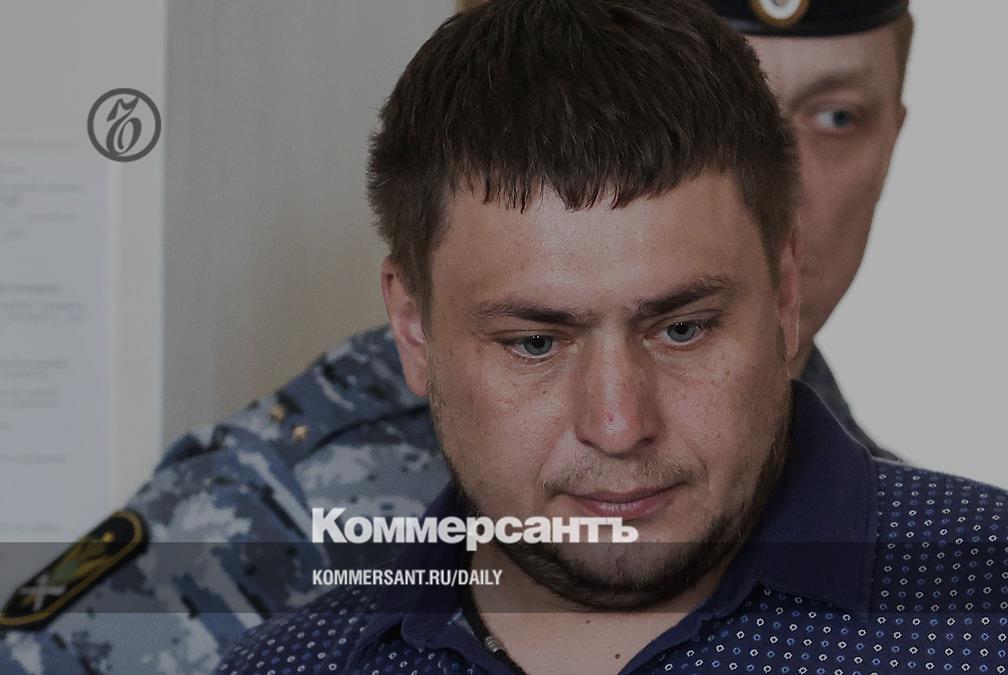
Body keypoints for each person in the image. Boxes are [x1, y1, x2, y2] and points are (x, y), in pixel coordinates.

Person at [218, 1, 1008, 672]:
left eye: (682, 328)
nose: (617, 424)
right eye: (535, 344)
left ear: (782, 289)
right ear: (413, 328)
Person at [0, 0, 914, 672]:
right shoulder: (291, 493)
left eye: (837, 116)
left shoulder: (903, 525)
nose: (784, 178)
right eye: (691, 113)